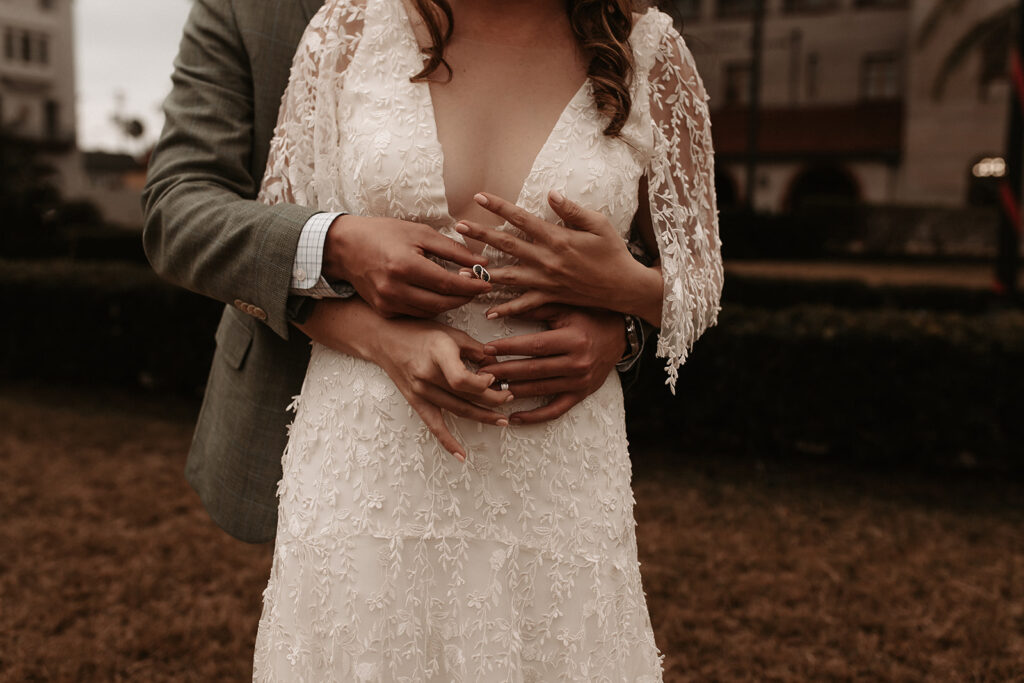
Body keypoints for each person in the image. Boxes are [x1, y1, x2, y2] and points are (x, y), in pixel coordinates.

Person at [246, 0, 723, 679]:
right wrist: (383, 338)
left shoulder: (649, 50)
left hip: (556, 480)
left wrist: (623, 293)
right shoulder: (348, 29)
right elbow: (270, 259)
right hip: (367, 471)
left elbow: (701, 282)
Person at [142, 0, 633, 547]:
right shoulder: (255, 9)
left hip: (547, 458)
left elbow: (663, 240)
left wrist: (625, 323)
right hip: (316, 422)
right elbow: (177, 211)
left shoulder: (604, 24)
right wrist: (337, 245)